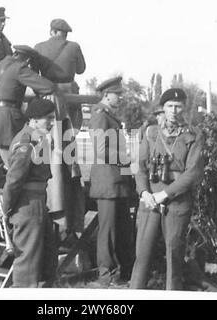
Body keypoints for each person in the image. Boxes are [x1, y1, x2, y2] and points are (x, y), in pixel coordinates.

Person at [0, 45, 56, 242]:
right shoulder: (20, 68)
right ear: (27, 60)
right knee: (16, 172)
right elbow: (48, 87)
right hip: (6, 123)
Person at [130, 88, 205, 290]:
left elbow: (193, 172)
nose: (174, 111)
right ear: (163, 108)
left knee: (174, 253)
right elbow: (140, 167)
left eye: (178, 106)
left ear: (184, 108)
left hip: (177, 200)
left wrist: (166, 193)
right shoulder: (151, 133)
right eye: (170, 106)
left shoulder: (193, 136)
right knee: (142, 253)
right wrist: (144, 192)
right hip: (150, 199)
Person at [34, 18, 86, 239]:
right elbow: (82, 69)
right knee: (68, 144)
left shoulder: (38, 47)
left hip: (45, 97)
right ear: (65, 34)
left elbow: (33, 72)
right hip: (68, 97)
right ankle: (71, 173)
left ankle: (52, 203)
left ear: (51, 31)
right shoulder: (73, 47)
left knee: (46, 144)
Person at [1, 98, 58, 287]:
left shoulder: (38, 138)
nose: (51, 123)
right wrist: (6, 209)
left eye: (52, 118)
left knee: (47, 261)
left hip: (38, 203)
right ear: (33, 120)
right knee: (28, 264)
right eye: (46, 119)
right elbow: (14, 179)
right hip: (26, 205)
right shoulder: (26, 141)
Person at [88, 76, 135, 287]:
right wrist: (127, 158)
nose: (120, 98)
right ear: (107, 95)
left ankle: (123, 273)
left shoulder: (109, 117)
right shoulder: (100, 116)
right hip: (107, 183)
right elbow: (100, 151)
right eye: (118, 95)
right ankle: (106, 276)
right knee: (108, 233)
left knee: (123, 230)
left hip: (117, 182)